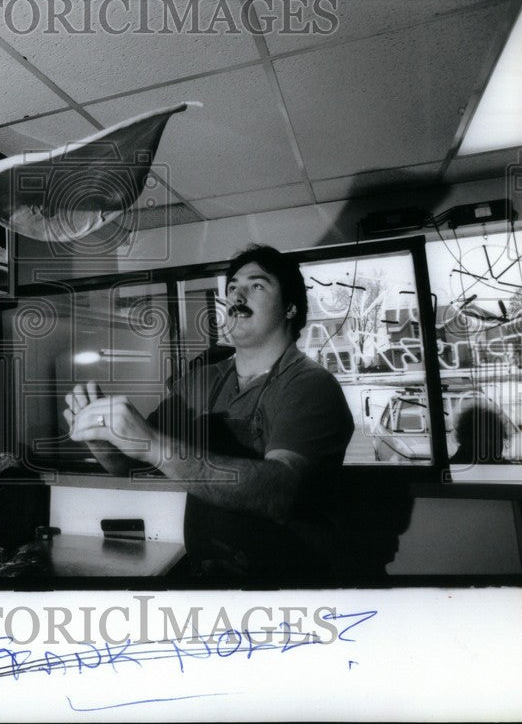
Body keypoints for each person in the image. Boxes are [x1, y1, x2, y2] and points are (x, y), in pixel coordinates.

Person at [64, 244, 354, 582]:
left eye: (256, 285)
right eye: (232, 287)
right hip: (210, 577)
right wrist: (99, 435)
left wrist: (154, 446)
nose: (237, 295)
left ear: (290, 308)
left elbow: (280, 494)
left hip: (287, 586)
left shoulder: (311, 386)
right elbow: (124, 463)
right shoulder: (201, 380)